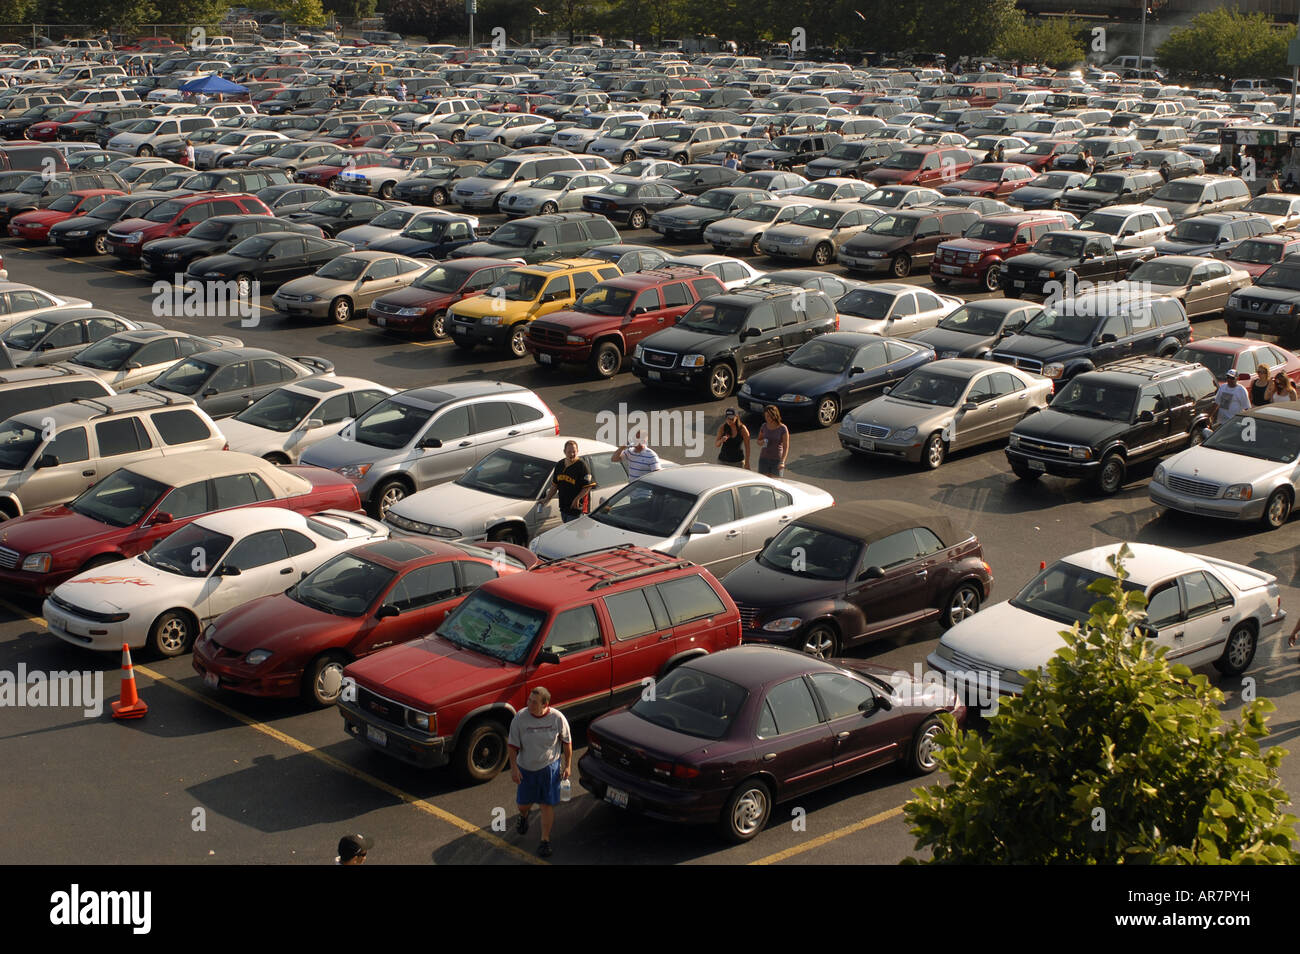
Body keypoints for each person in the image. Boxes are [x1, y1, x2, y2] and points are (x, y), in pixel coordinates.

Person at [507, 687, 571, 859]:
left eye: (534, 702)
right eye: (529, 700)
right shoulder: (520, 718)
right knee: (523, 804)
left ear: (545, 704)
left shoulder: (557, 718)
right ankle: (523, 815)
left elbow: (566, 743)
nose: (529, 704)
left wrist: (567, 765)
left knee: (546, 804)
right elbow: (512, 746)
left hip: (549, 769)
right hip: (526, 769)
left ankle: (545, 840)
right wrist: (514, 768)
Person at [542, 440, 595, 522]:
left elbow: (588, 487)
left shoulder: (582, 466)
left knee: (574, 532)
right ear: (564, 452)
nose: (572, 454)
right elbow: (554, 486)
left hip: (576, 510)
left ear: (577, 451)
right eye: (569, 452)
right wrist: (546, 499)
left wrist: (577, 499)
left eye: (574, 452)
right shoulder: (559, 465)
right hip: (564, 508)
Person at [757, 405, 789, 477]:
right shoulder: (764, 426)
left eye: (769, 416)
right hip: (764, 458)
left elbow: (786, 447)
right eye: (766, 416)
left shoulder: (782, 428)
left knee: (776, 483)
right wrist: (761, 442)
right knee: (763, 482)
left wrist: (782, 461)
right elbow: (758, 440)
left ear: (774, 415)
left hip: (777, 460)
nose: (767, 418)